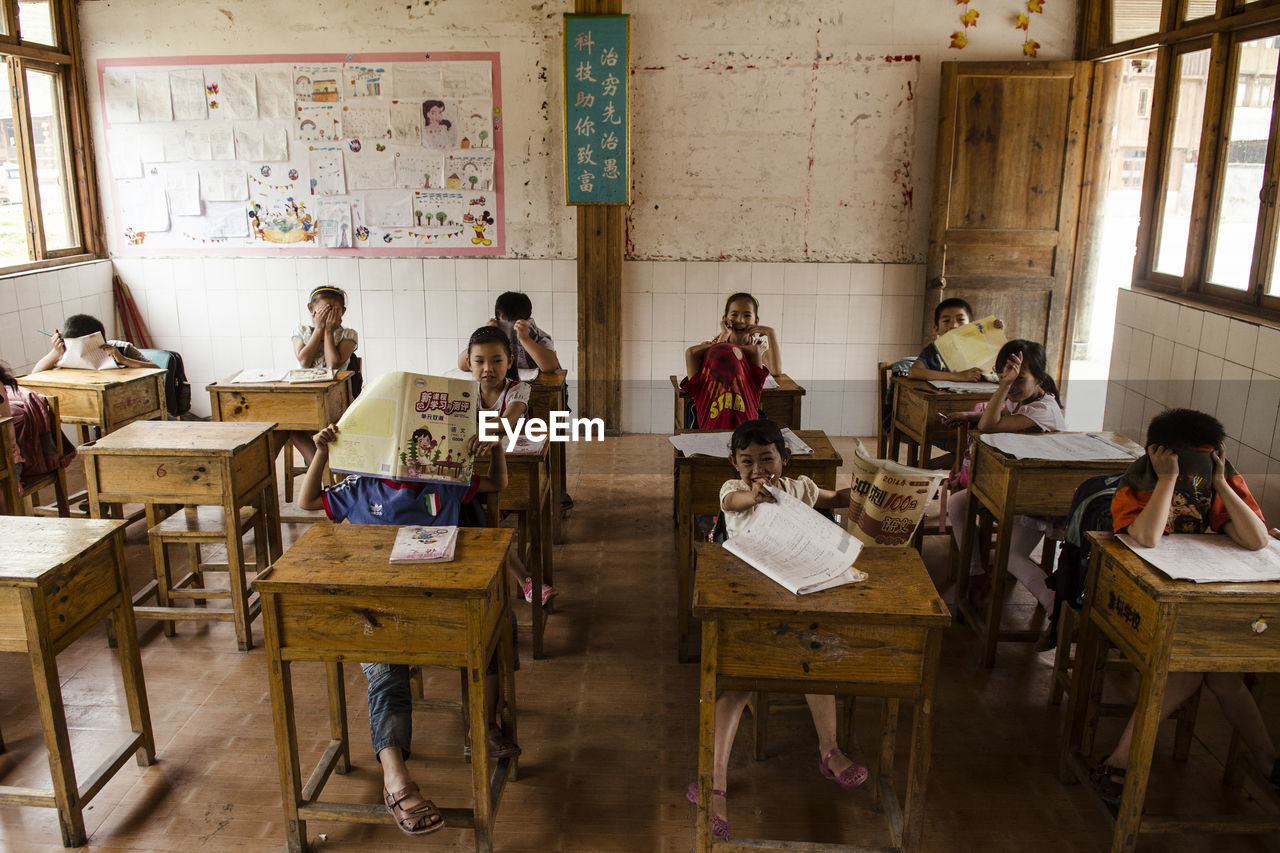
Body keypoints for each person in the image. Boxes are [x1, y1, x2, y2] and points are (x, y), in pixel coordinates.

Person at [298, 423, 517, 836]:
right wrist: (322, 452)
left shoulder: (446, 481)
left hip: (441, 604)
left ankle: (483, 725)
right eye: (399, 443)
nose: (412, 453)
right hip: (377, 612)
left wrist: (497, 447)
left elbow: (497, 482)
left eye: (422, 444)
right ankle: (395, 777)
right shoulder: (361, 486)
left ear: (432, 447)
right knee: (386, 674)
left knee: (494, 637)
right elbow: (308, 500)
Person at [1091, 408, 1279, 806]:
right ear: (1158, 454)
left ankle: (1267, 760)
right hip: (1152, 603)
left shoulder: (1218, 485)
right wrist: (1168, 479)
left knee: (1226, 678)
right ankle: (1120, 762)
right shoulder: (1139, 483)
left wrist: (1222, 483)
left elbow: (1257, 540)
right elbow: (1145, 537)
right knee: (1187, 673)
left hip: (1208, 600)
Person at [687, 419, 864, 839]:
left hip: (794, 595)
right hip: (744, 603)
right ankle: (715, 783)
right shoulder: (733, 491)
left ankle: (830, 751)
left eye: (767, 459)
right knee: (735, 686)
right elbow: (735, 502)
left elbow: (834, 497)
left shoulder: (800, 488)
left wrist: (863, 491)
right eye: (747, 461)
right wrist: (754, 493)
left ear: (785, 459)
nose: (757, 468)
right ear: (734, 463)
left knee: (814, 664)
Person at [942, 340, 1066, 610]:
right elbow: (992, 417)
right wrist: (969, 415)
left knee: (1009, 556)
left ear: (1040, 379)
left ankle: (1054, 606)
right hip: (1013, 486)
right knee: (957, 503)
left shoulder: (1043, 410)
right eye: (1005, 376)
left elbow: (989, 426)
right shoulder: (1025, 400)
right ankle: (976, 573)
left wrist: (1003, 387)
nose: (1012, 385)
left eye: (1020, 378)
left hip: (1037, 498)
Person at [466, 325, 557, 606]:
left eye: (497, 361)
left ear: (509, 362)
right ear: (468, 363)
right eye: (479, 361)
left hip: (511, 472)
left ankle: (524, 579)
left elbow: (510, 420)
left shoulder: (518, 390)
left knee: (480, 520)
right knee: (464, 515)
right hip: (474, 474)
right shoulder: (462, 394)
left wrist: (483, 433)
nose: (488, 369)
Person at [288, 286, 358, 465]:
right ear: (311, 310)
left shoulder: (348, 335)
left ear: (342, 312)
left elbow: (333, 364)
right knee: (284, 426)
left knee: (321, 427)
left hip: (336, 399)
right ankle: (320, 468)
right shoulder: (302, 331)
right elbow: (304, 360)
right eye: (324, 311)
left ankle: (320, 469)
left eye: (334, 311)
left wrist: (327, 331)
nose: (329, 316)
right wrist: (318, 329)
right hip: (304, 397)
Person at [456, 291, 559, 376]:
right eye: (505, 325)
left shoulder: (539, 336)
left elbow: (550, 366)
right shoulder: (491, 336)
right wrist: (487, 334)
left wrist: (526, 340)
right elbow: (462, 365)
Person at [680, 340, 769, 431]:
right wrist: (728, 345)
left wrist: (715, 345)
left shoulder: (700, 385)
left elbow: (690, 353)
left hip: (735, 438)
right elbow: (755, 351)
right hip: (742, 438)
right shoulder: (751, 381)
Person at [907, 297, 995, 383]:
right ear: (936, 328)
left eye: (960, 319)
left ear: (971, 325)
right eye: (946, 320)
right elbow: (913, 372)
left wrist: (995, 330)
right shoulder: (934, 350)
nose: (954, 325)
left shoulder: (980, 346)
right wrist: (956, 376)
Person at [31, 313, 158, 373]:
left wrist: (124, 360)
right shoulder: (66, 355)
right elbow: (35, 374)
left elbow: (158, 369)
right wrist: (55, 352)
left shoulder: (122, 349)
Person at [709, 292, 781, 376]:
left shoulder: (759, 345)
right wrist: (724, 334)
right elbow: (712, 370)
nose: (740, 320)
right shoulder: (715, 343)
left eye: (747, 315)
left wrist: (771, 333)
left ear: (756, 321)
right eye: (734, 315)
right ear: (724, 319)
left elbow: (776, 371)